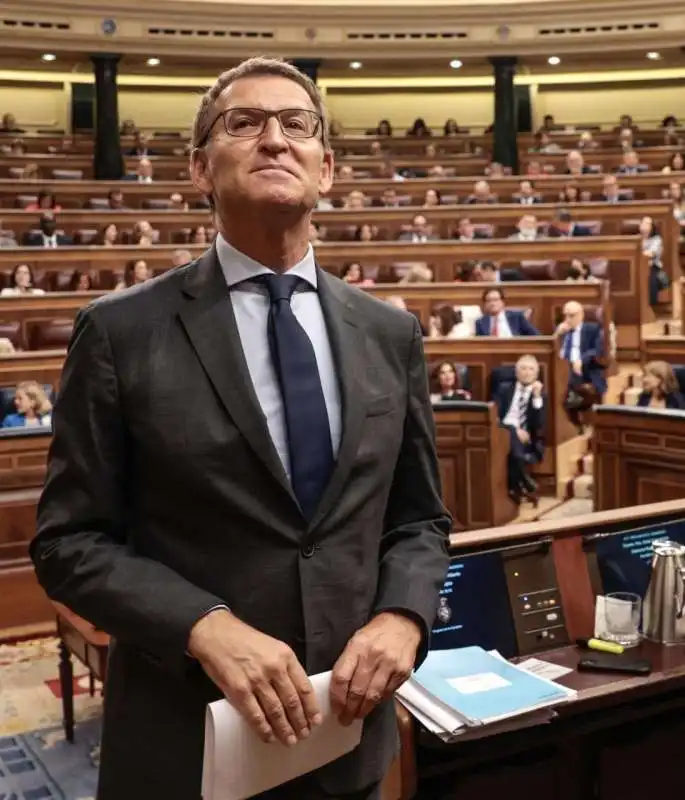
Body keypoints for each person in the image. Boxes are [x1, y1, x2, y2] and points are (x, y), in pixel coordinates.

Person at [31, 56, 451, 800]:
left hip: (346, 740)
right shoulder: (120, 332)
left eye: (297, 124)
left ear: (327, 169)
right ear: (199, 168)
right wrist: (204, 624)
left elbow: (416, 520)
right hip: (186, 743)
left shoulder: (390, 332)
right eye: (243, 122)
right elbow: (69, 543)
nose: (274, 138)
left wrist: (402, 617)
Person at [493, 355, 546, 502]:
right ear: (516, 372)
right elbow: (494, 416)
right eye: (523, 368)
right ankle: (524, 480)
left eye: (531, 369)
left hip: (528, 438)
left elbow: (539, 426)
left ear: (536, 374)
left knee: (512, 440)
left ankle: (516, 486)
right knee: (510, 432)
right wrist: (514, 430)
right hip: (502, 432)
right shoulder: (504, 389)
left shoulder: (541, 395)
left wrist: (536, 398)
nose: (527, 372)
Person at [556, 301, 606, 429]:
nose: (567, 320)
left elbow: (598, 351)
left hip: (584, 374)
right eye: (565, 315)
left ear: (581, 315)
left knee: (568, 398)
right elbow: (551, 352)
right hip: (561, 373)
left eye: (571, 316)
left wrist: (581, 360)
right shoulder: (561, 331)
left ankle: (575, 426)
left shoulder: (592, 329)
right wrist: (556, 335)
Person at [475, 288, 539, 337]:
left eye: (495, 300)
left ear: (502, 302)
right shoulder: (480, 322)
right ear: (485, 304)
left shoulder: (517, 317)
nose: (492, 303)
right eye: (488, 301)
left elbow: (536, 335)